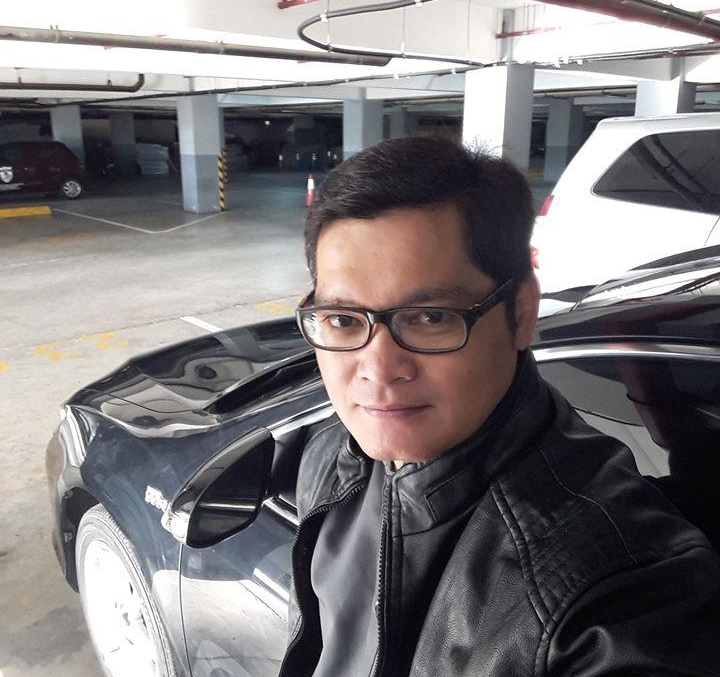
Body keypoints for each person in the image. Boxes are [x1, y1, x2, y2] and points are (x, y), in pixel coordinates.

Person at [280, 135, 720, 677]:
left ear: (522, 313)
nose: (378, 368)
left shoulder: (621, 589)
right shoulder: (333, 455)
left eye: (431, 317)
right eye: (344, 320)